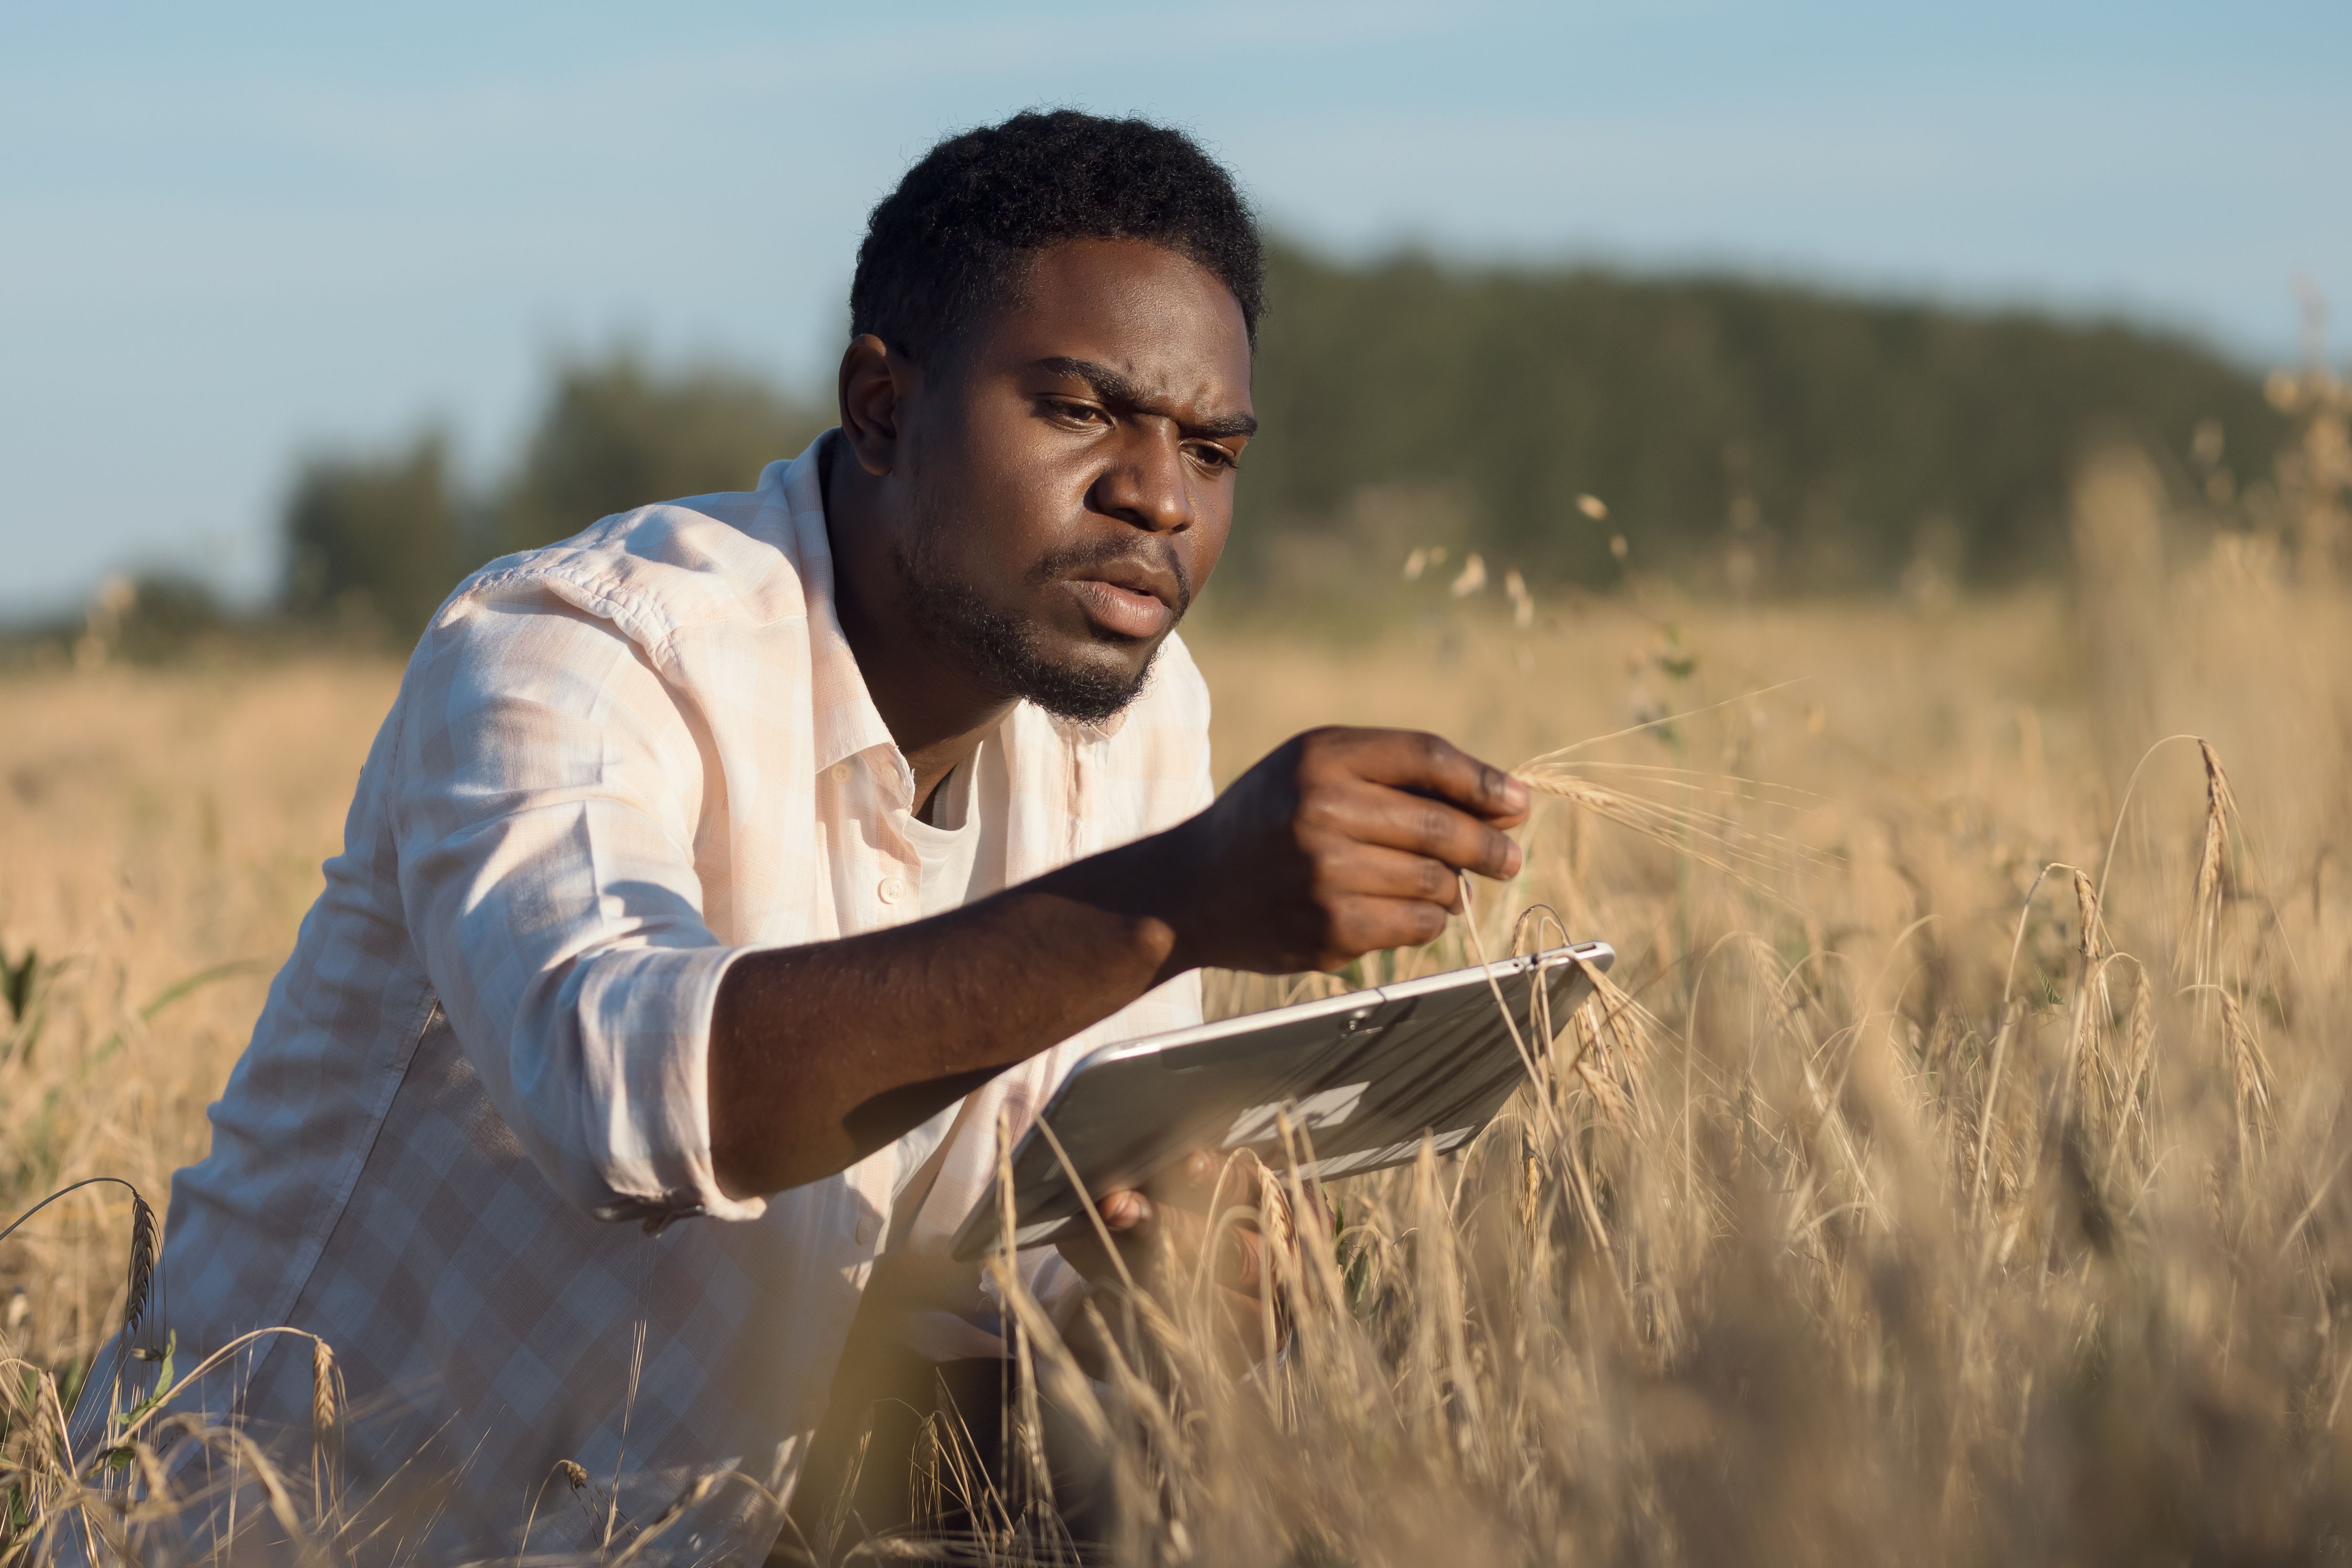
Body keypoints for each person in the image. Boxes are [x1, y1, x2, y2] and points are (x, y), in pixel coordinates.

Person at [134, 109, 1529, 1562]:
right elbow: (622, 1094)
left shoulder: (1136, 719)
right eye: (1076, 411)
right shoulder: (576, 650)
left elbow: (1002, 1309)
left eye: (1212, 449)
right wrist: (1172, 901)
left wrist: (1154, 1301)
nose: (1159, 497)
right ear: (878, 406)